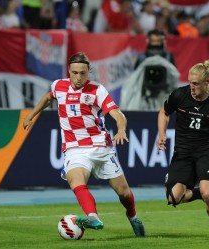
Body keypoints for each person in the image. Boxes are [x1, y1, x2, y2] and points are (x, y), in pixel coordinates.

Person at [23, 52, 145, 237]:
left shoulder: (97, 90)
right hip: (74, 148)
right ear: (69, 71)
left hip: (100, 147)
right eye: (74, 73)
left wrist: (121, 130)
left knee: (124, 193)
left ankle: (133, 215)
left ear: (89, 71)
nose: (78, 77)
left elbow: (117, 114)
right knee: (76, 180)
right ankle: (92, 217)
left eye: (82, 73)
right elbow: (49, 97)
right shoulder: (59, 86)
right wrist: (31, 115)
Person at [156, 60, 209, 242]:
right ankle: (199, 192)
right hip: (183, 153)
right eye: (190, 82)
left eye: (196, 84)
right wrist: (161, 134)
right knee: (173, 198)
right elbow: (163, 112)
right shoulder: (180, 95)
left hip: (206, 152)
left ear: (207, 82)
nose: (191, 87)